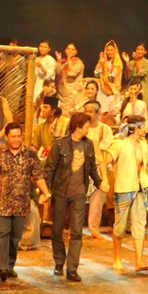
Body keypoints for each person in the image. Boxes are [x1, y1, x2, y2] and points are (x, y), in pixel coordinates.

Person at [0, 122, 51, 282]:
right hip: (1, 203)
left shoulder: (29, 154)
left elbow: (38, 176)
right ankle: (1, 268)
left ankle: (9, 266)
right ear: (6, 137)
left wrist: (46, 192)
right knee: (1, 234)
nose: (17, 139)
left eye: (19, 136)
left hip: (21, 204)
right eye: (13, 136)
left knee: (15, 237)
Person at [44, 113, 108, 282]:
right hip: (60, 192)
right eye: (86, 126)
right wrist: (45, 191)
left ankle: (72, 268)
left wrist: (99, 183)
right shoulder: (60, 144)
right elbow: (49, 169)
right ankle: (59, 262)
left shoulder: (88, 145)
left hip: (79, 194)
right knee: (57, 230)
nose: (88, 129)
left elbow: (92, 168)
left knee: (77, 232)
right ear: (78, 128)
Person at [103, 115, 148, 271]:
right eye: (143, 126)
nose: (146, 129)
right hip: (124, 187)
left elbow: (145, 167)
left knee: (139, 224)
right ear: (136, 128)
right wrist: (104, 180)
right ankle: (117, 259)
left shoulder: (143, 144)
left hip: (141, 187)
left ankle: (139, 261)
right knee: (120, 226)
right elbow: (104, 162)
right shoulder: (119, 144)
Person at [83, 100, 114, 239]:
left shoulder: (105, 129)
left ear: (98, 113)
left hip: (98, 166)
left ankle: (94, 229)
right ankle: (74, 229)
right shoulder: (81, 127)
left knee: (97, 200)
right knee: (78, 199)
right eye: (86, 111)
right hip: (82, 167)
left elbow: (105, 150)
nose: (87, 114)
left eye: (90, 111)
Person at [31, 96, 70, 160]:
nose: (43, 110)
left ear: (53, 111)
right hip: (46, 160)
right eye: (43, 107)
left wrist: (54, 149)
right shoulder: (40, 127)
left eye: (46, 107)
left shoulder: (66, 123)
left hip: (63, 159)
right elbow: (35, 147)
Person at [55, 42, 85, 116]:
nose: (70, 51)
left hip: (71, 93)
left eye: (72, 49)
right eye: (68, 49)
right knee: (60, 115)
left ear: (76, 52)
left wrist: (69, 60)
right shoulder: (64, 62)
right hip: (61, 93)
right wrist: (58, 61)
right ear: (65, 51)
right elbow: (57, 72)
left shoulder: (78, 62)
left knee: (69, 115)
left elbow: (72, 73)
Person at [95, 40, 123, 117]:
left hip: (113, 89)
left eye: (111, 50)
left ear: (115, 50)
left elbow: (114, 76)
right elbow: (96, 74)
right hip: (103, 89)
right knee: (102, 112)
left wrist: (107, 74)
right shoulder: (104, 61)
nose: (109, 52)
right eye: (107, 50)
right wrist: (101, 63)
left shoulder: (118, 63)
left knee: (112, 113)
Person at [122, 43, 148, 110]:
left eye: (141, 49)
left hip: (143, 88)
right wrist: (127, 62)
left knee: (141, 107)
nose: (139, 51)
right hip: (132, 87)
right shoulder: (132, 62)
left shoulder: (147, 63)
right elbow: (128, 75)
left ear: (145, 51)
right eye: (138, 49)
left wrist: (136, 61)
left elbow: (140, 74)